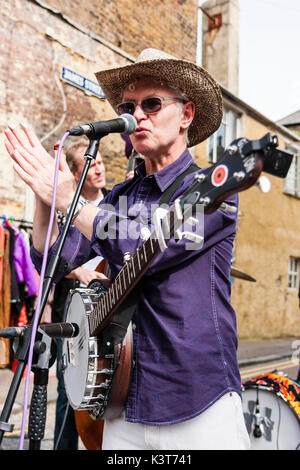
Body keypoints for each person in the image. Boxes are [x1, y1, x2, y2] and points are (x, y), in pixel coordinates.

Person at [4, 48, 250, 450]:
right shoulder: (120, 195)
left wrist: (70, 199)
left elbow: (146, 244)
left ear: (186, 114)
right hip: (123, 404)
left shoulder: (212, 190)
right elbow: (55, 258)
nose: (137, 115)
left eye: (151, 104)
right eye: (128, 106)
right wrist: (44, 194)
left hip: (197, 399)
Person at [52, 138, 109, 450]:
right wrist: (77, 271)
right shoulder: (65, 210)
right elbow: (50, 258)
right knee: (68, 392)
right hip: (70, 310)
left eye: (100, 162)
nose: (98, 168)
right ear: (77, 172)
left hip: (106, 309)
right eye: (91, 164)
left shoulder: (115, 200)